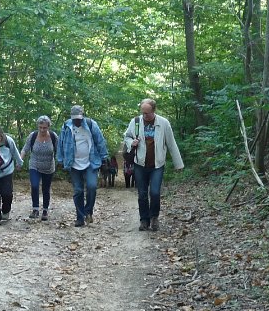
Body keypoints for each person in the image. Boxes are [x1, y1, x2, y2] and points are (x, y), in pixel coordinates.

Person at [123, 98, 184, 232]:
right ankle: (144, 220)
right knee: (142, 194)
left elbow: (171, 143)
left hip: (157, 165)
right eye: (143, 113)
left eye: (147, 113)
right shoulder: (136, 122)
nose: (145, 116)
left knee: (155, 193)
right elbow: (126, 137)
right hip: (139, 164)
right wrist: (131, 142)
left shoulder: (163, 123)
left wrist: (178, 164)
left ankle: (154, 217)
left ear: (153, 111)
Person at [58, 104, 109, 227]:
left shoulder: (91, 125)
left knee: (92, 187)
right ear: (71, 118)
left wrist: (104, 158)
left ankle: (88, 212)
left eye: (79, 119)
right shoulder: (66, 126)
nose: (77, 121)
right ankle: (80, 217)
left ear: (83, 117)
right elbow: (61, 143)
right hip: (74, 163)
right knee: (78, 190)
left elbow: (100, 141)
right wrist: (60, 160)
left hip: (91, 162)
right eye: (75, 119)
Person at [20, 115, 58, 221]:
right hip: (34, 165)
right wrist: (20, 160)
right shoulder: (33, 136)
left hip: (49, 167)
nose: (42, 129)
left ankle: (45, 210)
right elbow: (25, 149)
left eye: (44, 128)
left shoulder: (53, 136)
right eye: (40, 127)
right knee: (35, 185)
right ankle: (35, 209)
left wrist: (62, 161)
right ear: (38, 126)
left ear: (48, 127)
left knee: (46, 189)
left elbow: (59, 150)